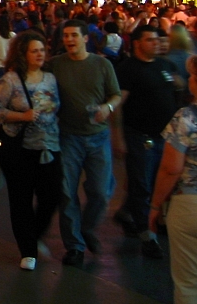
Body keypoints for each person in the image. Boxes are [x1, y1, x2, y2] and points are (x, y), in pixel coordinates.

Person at [50, 18, 122, 266]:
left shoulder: (102, 64)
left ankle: (87, 227)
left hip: (98, 136)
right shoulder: (56, 65)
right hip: (68, 136)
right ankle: (74, 246)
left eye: (74, 35)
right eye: (66, 35)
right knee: (67, 192)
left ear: (85, 38)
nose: (69, 39)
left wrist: (107, 108)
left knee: (101, 192)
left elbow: (115, 94)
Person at [0, 32, 61, 271]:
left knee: (51, 196)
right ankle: (28, 250)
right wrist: (23, 116)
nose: (40, 54)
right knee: (21, 200)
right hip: (19, 149)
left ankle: (35, 235)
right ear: (23, 54)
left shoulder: (51, 78)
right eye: (34, 51)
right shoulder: (10, 80)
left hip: (49, 146)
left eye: (42, 50)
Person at [113, 25, 181, 258]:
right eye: (150, 40)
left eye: (157, 39)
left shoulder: (164, 65)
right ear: (137, 43)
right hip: (140, 136)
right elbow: (118, 104)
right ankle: (147, 235)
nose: (156, 43)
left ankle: (127, 212)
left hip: (165, 137)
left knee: (152, 181)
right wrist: (117, 136)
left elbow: (175, 89)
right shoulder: (128, 69)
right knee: (142, 184)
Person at [149, 55, 197, 304]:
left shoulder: (185, 118)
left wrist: (155, 206)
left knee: (187, 284)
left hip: (189, 204)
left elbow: (171, 168)